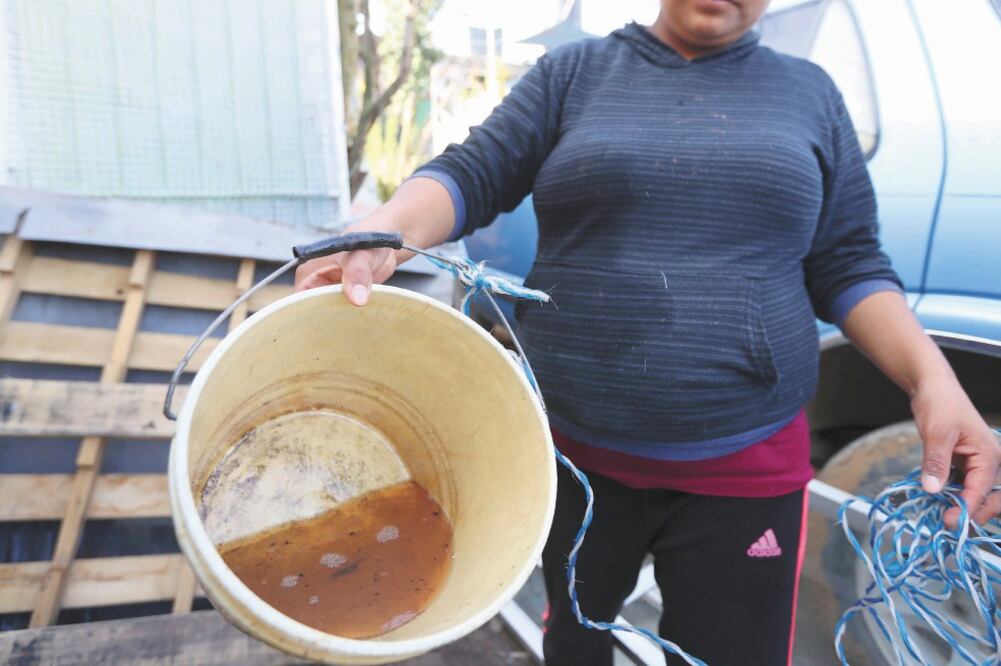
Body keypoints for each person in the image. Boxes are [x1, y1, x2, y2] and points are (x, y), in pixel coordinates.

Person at [295, 0, 1001, 663]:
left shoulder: (809, 95)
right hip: (574, 463)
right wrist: (382, 231)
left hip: (744, 472)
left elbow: (847, 261)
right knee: (573, 646)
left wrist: (931, 380)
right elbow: (471, 174)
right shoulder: (573, 74)